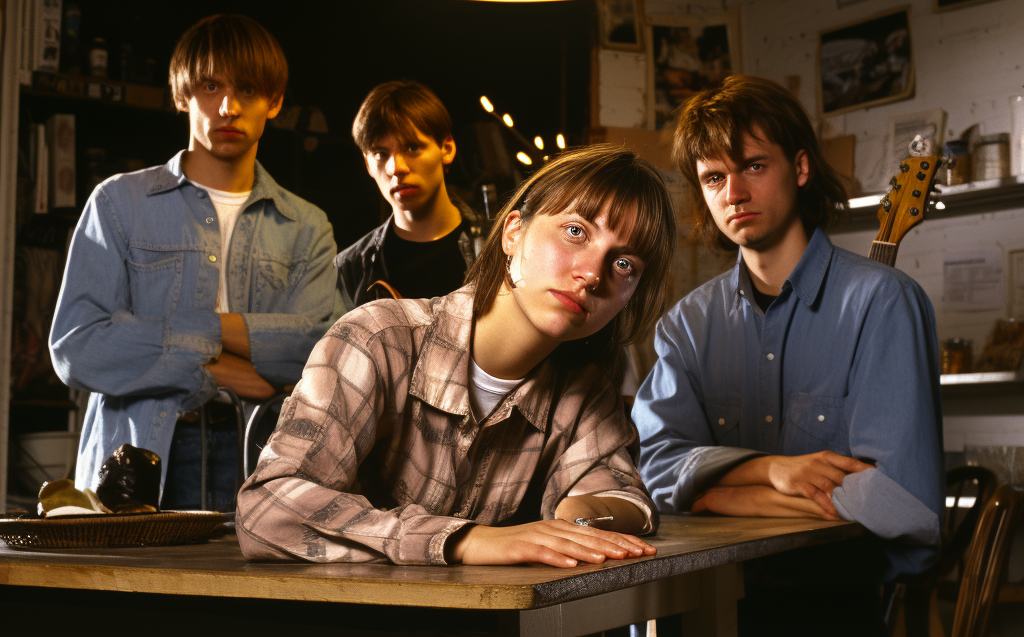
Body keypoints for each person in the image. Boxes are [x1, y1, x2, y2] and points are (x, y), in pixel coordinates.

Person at [235, 145, 675, 566]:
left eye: (624, 265)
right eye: (576, 231)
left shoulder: (584, 389)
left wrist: (578, 517)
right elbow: (266, 509)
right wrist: (465, 539)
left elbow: (624, 498)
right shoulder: (380, 339)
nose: (592, 274)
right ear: (513, 233)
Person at [632, 75, 943, 635]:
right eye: (713, 177)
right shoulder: (686, 325)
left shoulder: (883, 302)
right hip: (705, 610)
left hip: (830, 613)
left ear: (800, 169)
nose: (733, 193)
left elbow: (903, 504)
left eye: (753, 165)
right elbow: (651, 479)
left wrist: (718, 494)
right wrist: (773, 472)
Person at [49, 14, 340, 508]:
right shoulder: (120, 203)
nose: (228, 106)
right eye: (210, 86)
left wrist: (192, 332)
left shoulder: (307, 225)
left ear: (275, 102)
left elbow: (321, 349)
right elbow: (77, 346)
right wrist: (220, 368)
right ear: (182, 95)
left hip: (264, 455)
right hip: (140, 452)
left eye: (247, 89)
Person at [336, 80, 480, 310]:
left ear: (447, 149)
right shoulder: (350, 269)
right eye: (381, 154)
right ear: (368, 165)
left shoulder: (500, 247)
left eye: (412, 147)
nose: (396, 167)